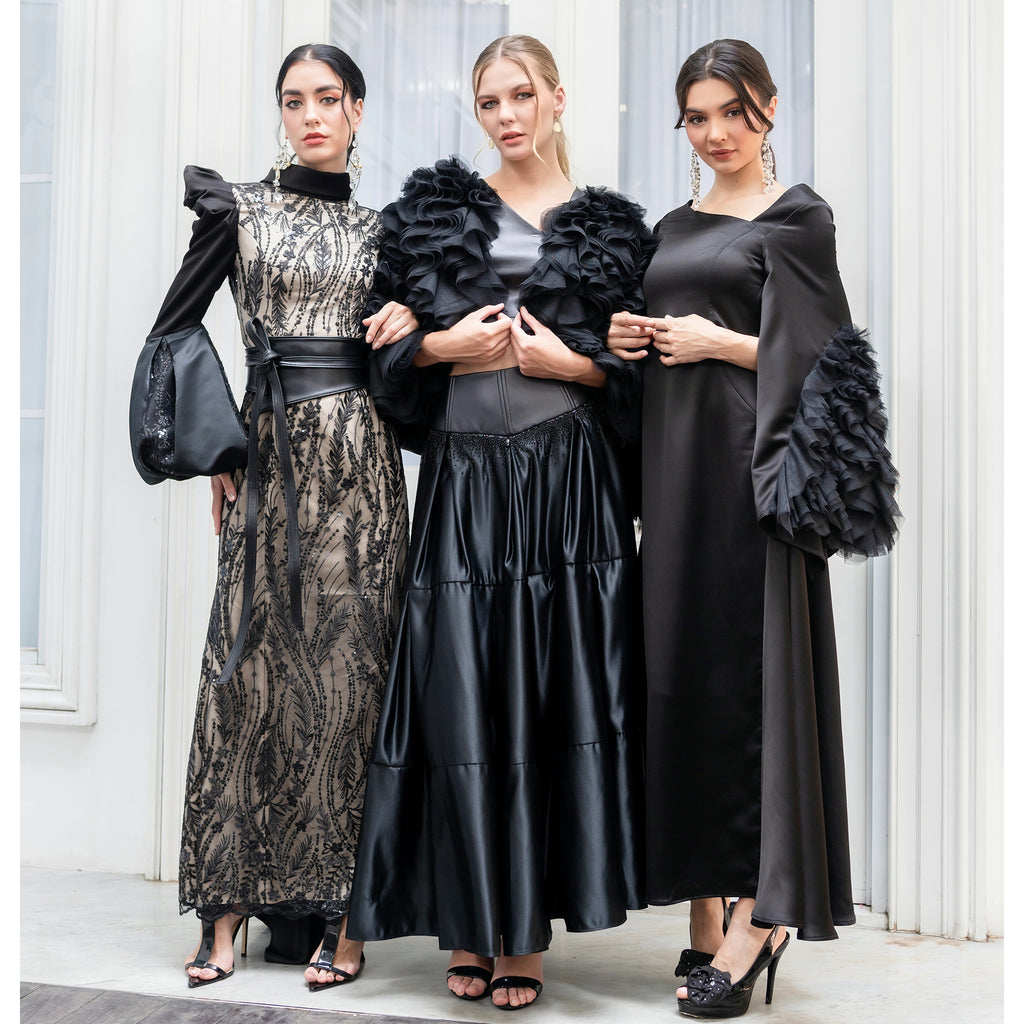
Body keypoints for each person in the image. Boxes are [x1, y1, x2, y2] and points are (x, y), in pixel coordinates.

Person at [346, 34, 658, 1012]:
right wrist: (440, 345)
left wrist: (577, 366)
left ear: (557, 99)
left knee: (548, 697)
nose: (507, 114)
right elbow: (377, 351)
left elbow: (643, 374)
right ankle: (470, 925)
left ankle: (523, 939)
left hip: (568, 487)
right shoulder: (429, 216)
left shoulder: (615, 230)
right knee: (462, 696)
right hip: (464, 479)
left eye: (522, 95)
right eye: (489, 101)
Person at [607, 38, 899, 1020]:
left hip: (748, 480)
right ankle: (707, 904)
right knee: (680, 680)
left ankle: (758, 918)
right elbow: (665, 338)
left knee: (747, 686)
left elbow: (828, 360)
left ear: (768, 107)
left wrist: (721, 342)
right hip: (674, 479)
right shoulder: (672, 225)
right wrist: (634, 338)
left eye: (733, 111)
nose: (715, 132)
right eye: (697, 117)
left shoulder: (798, 218)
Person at [141, 43, 417, 992]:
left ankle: (344, 911)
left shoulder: (389, 231)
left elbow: (406, 362)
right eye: (294, 101)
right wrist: (221, 447)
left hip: (364, 471)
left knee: (352, 680)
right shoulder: (239, 209)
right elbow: (176, 326)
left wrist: (408, 326)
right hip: (270, 465)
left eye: (328, 99)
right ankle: (224, 913)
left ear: (357, 110)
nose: (311, 116)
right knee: (247, 677)